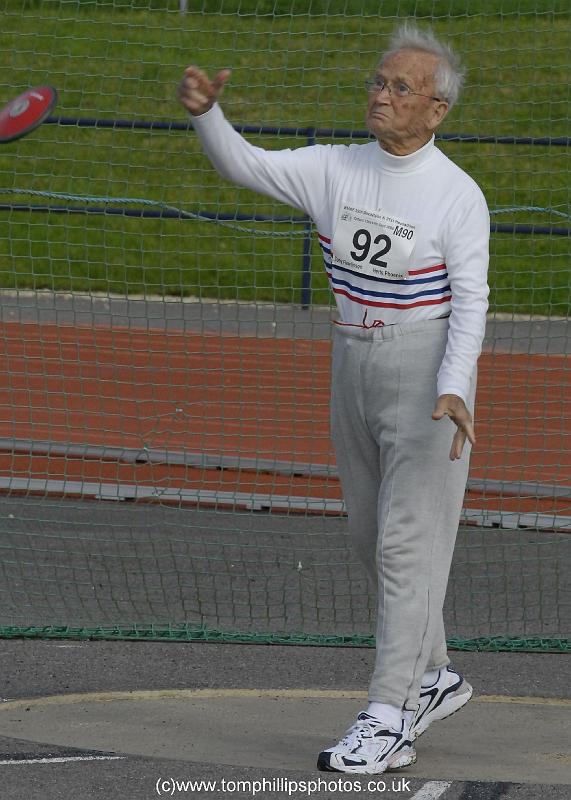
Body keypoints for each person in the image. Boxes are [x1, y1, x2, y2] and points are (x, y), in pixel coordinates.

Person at [178, 20, 489, 775]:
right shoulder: (332, 167)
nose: (382, 95)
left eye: (401, 87)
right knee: (369, 538)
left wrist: (454, 384)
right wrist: (207, 115)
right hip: (351, 359)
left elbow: (472, 300)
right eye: (378, 82)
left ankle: (388, 716)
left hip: (426, 375)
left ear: (436, 110)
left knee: (406, 545)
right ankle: (432, 674)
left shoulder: (457, 195)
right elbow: (245, 165)